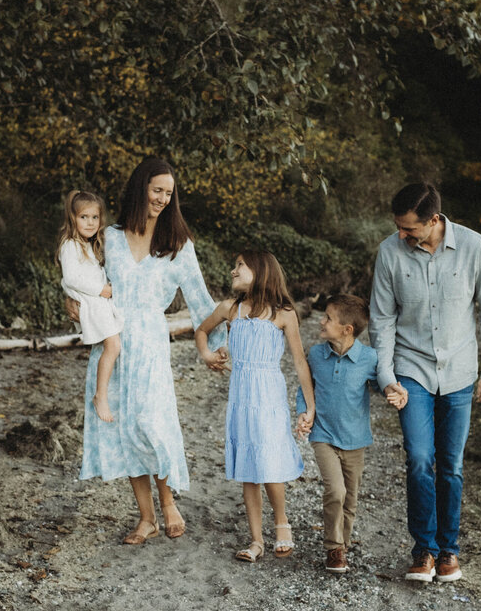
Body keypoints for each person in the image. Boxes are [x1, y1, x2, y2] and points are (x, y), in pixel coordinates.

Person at [68, 157, 224, 545]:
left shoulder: (178, 244)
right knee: (124, 426)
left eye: (169, 194)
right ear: (141, 189)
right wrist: (70, 303)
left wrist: (213, 348)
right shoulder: (111, 237)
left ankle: (169, 503)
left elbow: (202, 301)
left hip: (152, 344)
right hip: (115, 341)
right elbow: (83, 276)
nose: (163, 199)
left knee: (153, 422)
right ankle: (146, 517)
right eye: (157, 191)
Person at [369, 181, 481, 584]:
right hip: (411, 370)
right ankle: (423, 550)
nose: (402, 234)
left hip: (461, 372)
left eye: (409, 228)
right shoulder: (389, 252)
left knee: (450, 464)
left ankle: (449, 551)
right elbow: (382, 319)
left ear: (433, 220)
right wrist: (386, 375)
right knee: (419, 458)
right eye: (398, 227)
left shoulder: (473, 246)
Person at [195, 250, 315, 563]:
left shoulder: (283, 313)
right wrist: (208, 355)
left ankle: (282, 523)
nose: (233, 271)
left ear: (260, 271)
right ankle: (256, 540)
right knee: (249, 466)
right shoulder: (230, 309)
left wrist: (309, 406)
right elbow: (201, 331)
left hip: (269, 396)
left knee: (270, 461)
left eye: (240, 265)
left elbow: (299, 362)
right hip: (241, 396)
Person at [296, 293, 406, 574]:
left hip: (356, 440)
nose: (321, 322)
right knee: (336, 490)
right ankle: (333, 548)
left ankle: (342, 546)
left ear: (347, 330)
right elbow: (304, 386)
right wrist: (304, 412)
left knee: (351, 498)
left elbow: (383, 383)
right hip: (323, 435)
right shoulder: (317, 355)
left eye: (328, 318)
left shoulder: (369, 358)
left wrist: (392, 391)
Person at [58, 190, 123, 422]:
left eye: (94, 218)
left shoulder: (86, 245)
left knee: (116, 342)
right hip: (92, 301)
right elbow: (71, 278)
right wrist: (102, 290)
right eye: (84, 217)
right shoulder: (70, 245)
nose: (90, 222)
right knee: (113, 346)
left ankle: (106, 392)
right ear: (72, 218)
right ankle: (100, 396)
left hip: (98, 300)